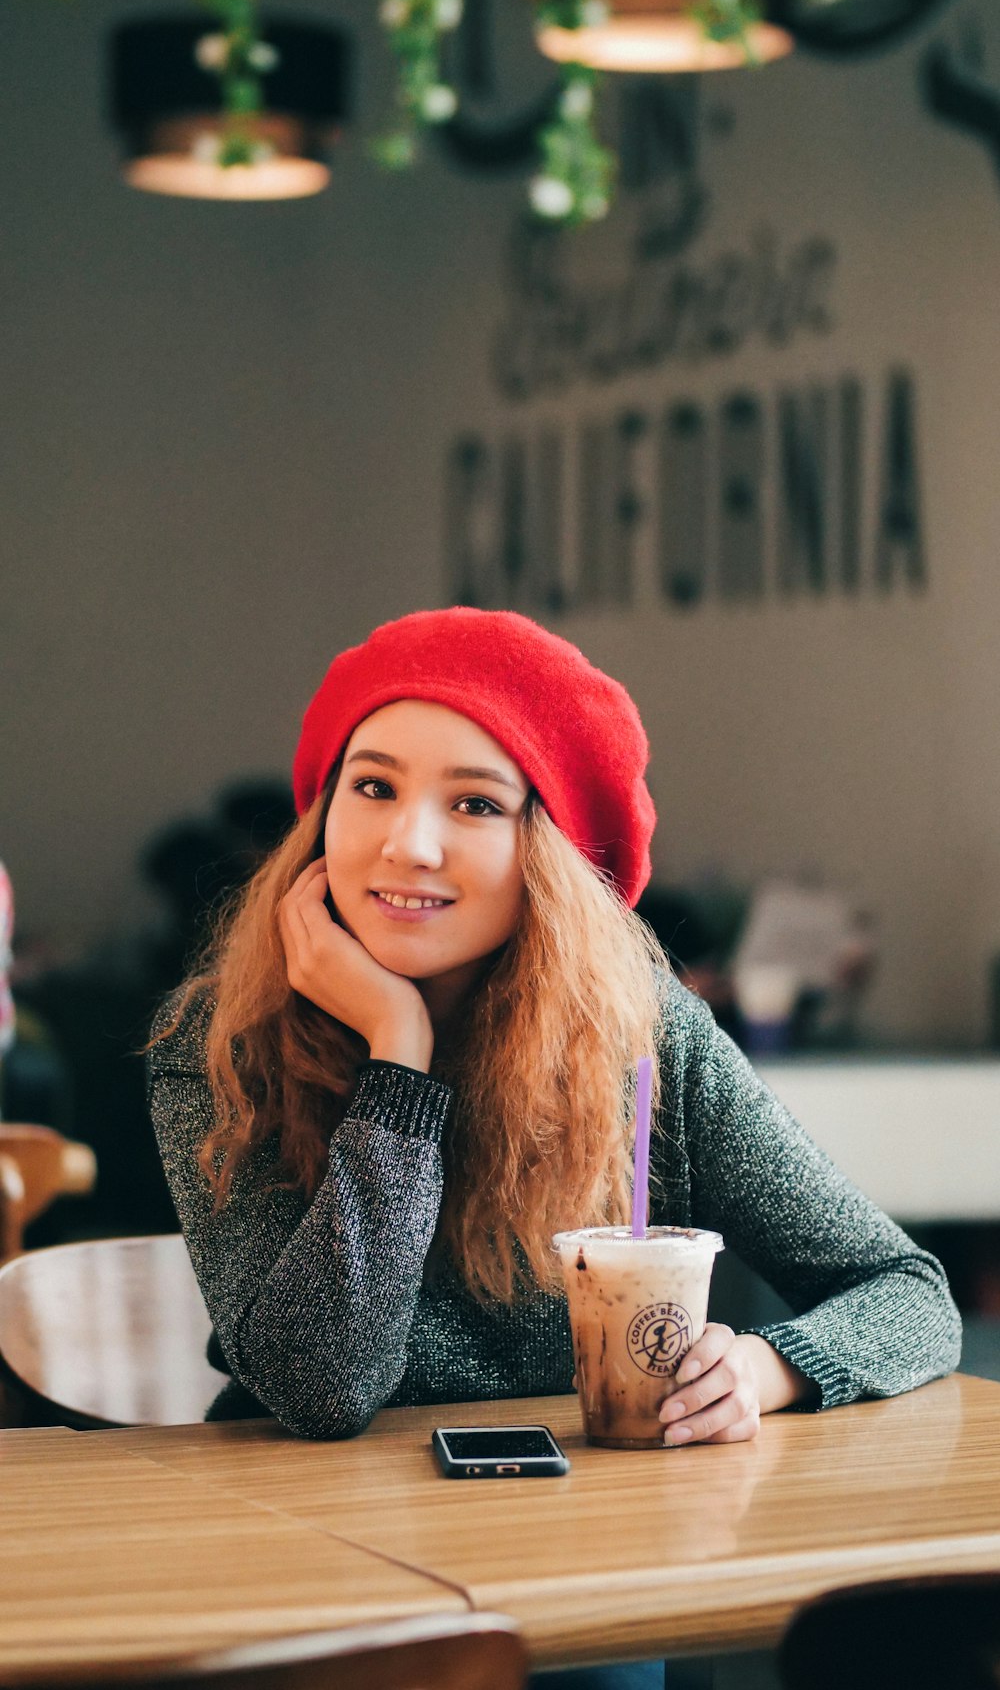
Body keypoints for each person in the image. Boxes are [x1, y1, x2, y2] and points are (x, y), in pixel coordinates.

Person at [148, 608, 961, 1456]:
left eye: (474, 803)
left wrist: (762, 1371)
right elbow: (322, 1387)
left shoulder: (642, 1034)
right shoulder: (225, 1042)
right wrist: (399, 1053)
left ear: (553, 856)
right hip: (304, 1533)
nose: (408, 843)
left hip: (592, 1527)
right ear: (322, 816)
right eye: (374, 786)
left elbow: (908, 1293)